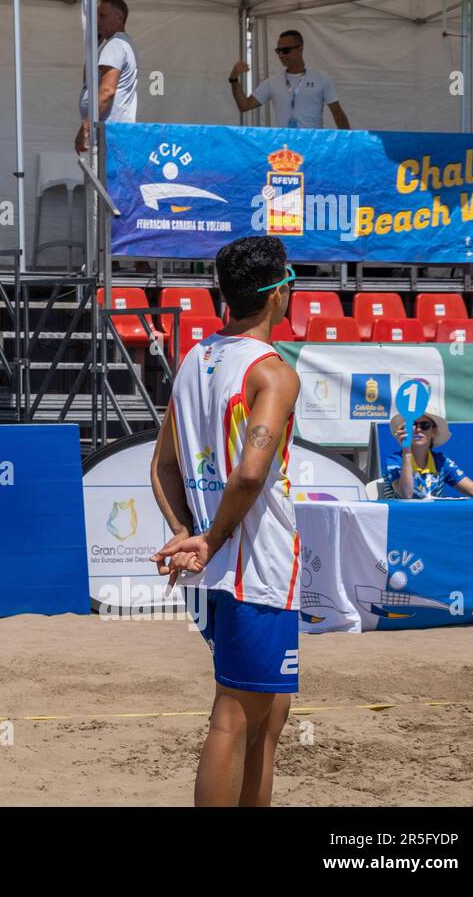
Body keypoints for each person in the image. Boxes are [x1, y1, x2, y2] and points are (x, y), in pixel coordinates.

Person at [148, 235, 302, 807]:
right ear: (277, 294)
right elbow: (248, 476)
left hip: (217, 572)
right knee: (233, 719)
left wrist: (191, 533)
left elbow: (162, 466)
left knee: (270, 715)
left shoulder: (196, 359)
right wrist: (209, 538)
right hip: (252, 567)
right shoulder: (272, 373)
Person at [228, 29, 350, 130]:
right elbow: (244, 105)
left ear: (300, 49)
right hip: (286, 148)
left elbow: (337, 112)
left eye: (286, 50)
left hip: (313, 145)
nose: (281, 55)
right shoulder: (272, 82)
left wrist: (349, 142)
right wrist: (233, 79)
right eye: (278, 51)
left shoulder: (321, 78)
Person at [384, 411, 473, 500]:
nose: (418, 430)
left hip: (433, 524)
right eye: (412, 426)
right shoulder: (394, 461)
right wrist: (407, 452)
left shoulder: (441, 461)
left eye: (424, 425)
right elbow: (406, 495)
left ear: (433, 431)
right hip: (401, 524)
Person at [76, 0, 137, 153]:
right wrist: (96, 44)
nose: (98, 21)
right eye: (97, 16)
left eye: (103, 16)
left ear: (119, 18)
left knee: (102, 177)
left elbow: (107, 91)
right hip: (111, 132)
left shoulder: (115, 45)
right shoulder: (119, 43)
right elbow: (88, 80)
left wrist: (85, 129)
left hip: (107, 134)